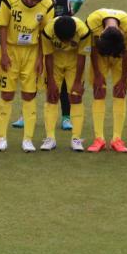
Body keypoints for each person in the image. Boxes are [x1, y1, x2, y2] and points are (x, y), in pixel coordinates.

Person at [12, 0, 86, 131]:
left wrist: (73, 11)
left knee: (63, 83)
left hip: (62, 45)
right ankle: (25, 115)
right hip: (43, 41)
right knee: (34, 78)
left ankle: (66, 117)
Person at [0, 0, 53, 152]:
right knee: (7, 94)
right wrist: (4, 54)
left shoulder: (47, 5)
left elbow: (44, 34)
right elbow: (2, 27)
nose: (34, 2)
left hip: (32, 53)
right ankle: (1, 138)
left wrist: (40, 58)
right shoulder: (10, 0)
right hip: (10, 51)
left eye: (38, 0)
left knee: (29, 95)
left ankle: (28, 139)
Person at [85, 7, 127, 154]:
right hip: (100, 55)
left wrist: (123, 78)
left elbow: (126, 52)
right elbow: (93, 48)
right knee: (98, 91)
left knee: (120, 91)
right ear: (101, 34)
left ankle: (117, 139)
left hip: (120, 56)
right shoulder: (91, 22)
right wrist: (97, 74)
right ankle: (99, 139)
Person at [40, 14, 91, 151]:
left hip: (74, 63)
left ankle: (76, 138)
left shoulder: (83, 32)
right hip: (55, 63)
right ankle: (50, 138)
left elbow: (82, 57)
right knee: (51, 97)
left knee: (76, 96)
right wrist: (50, 81)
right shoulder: (48, 31)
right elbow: (48, 56)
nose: (65, 43)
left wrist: (77, 82)